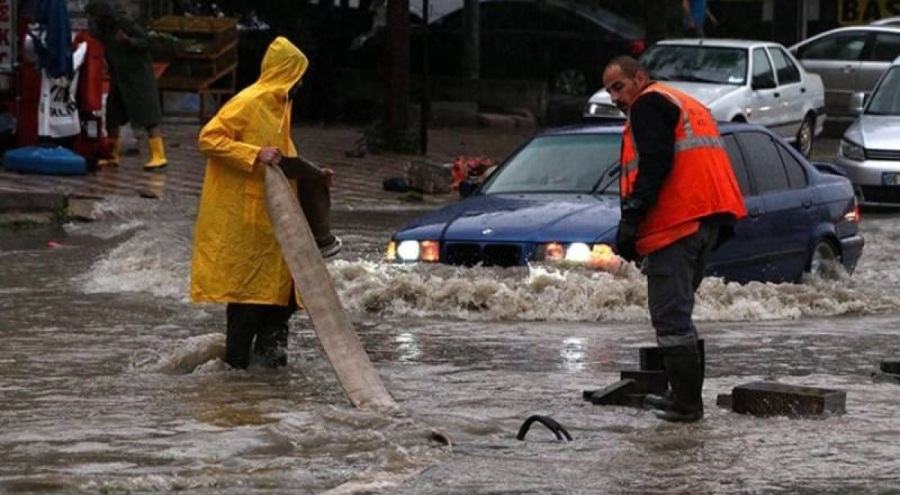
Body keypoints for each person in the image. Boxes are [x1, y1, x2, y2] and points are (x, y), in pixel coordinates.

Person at [602, 55, 746, 422]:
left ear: (640, 78)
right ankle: (682, 397)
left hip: (677, 225)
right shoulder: (685, 103)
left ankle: (686, 404)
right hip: (706, 221)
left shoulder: (648, 104)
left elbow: (655, 164)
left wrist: (632, 219)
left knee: (671, 318)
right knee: (679, 315)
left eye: (619, 86)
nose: (615, 97)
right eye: (609, 91)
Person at [190, 36, 337, 370]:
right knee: (247, 304)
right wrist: (253, 154)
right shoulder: (249, 101)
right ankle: (236, 378)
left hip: (275, 229)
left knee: (281, 305)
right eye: (297, 74)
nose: (301, 82)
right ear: (286, 71)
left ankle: (268, 386)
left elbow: (283, 158)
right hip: (247, 225)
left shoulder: (280, 106)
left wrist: (314, 175)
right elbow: (209, 138)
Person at [84, 0, 168, 170]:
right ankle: (113, 154)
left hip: (138, 74)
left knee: (148, 115)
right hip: (119, 75)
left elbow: (146, 42)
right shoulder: (100, 29)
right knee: (113, 114)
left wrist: (128, 40)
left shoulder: (124, 23)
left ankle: (159, 155)